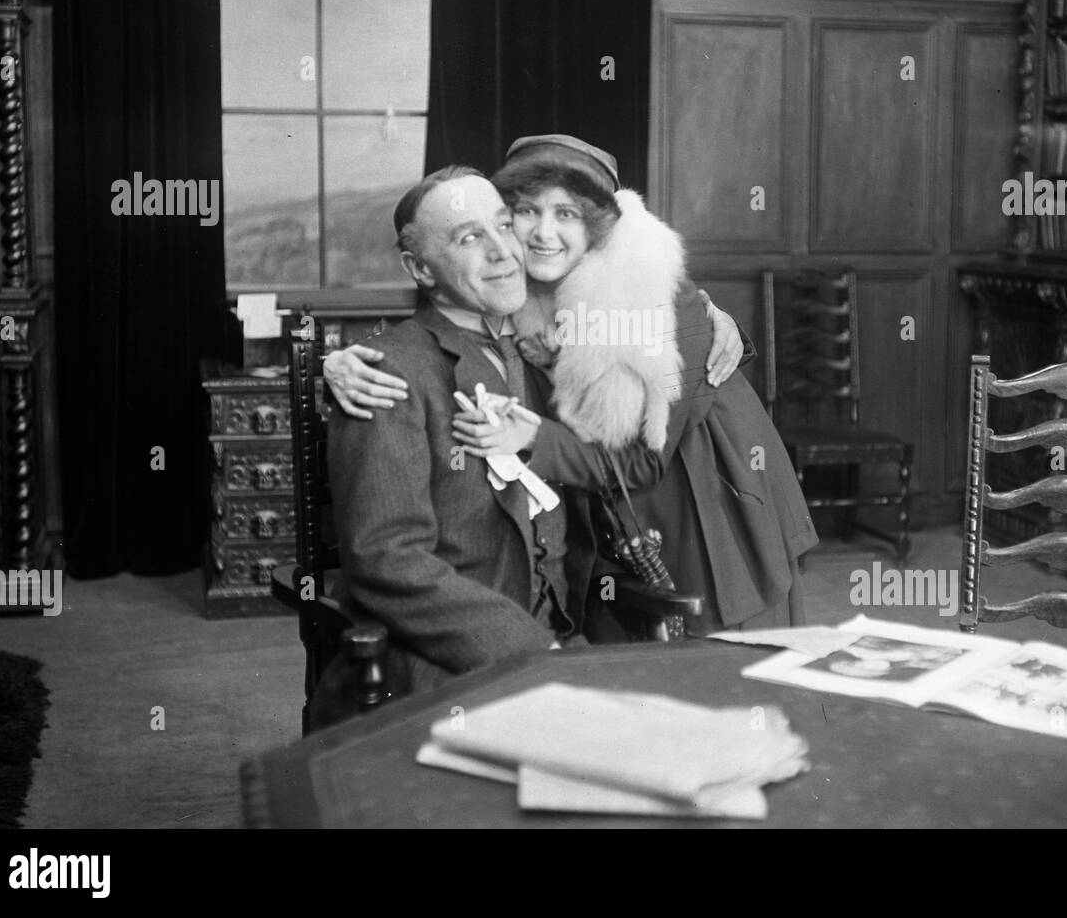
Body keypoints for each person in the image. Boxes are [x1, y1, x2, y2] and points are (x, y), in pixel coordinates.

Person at [328, 136, 818, 634]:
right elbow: (437, 331)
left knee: (714, 661)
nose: (543, 233)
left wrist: (708, 317)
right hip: (602, 504)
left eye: (568, 214)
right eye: (524, 211)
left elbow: (643, 459)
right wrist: (340, 362)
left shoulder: (662, 300)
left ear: (602, 225)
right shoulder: (514, 289)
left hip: (703, 495)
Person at [325, 165, 593, 697]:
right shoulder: (388, 373)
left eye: (502, 225)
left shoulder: (538, 349)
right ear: (420, 270)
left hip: (564, 639)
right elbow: (387, 558)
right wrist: (537, 654)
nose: (504, 252)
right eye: (470, 238)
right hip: (453, 664)